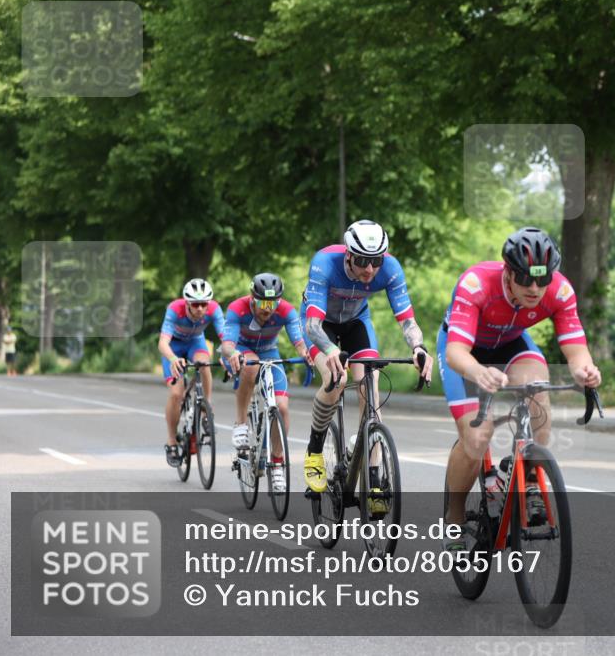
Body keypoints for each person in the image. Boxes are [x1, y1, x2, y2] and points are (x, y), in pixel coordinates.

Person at [438, 227, 602, 547]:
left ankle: (525, 476)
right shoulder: (476, 284)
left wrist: (585, 370)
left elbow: (576, 351)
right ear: (508, 272)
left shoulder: (560, 291)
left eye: (542, 279)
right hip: (465, 352)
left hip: (511, 345)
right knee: (476, 437)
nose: (535, 289)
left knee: (538, 391)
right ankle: (454, 517)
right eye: (525, 279)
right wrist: (478, 372)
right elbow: (456, 353)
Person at [301, 220, 433, 516]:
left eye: (376, 261)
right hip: (320, 325)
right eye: (362, 261)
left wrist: (418, 347)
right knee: (336, 378)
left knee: (370, 387)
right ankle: (314, 451)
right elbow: (312, 325)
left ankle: (374, 478)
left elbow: (407, 320)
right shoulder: (325, 263)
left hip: (356, 322)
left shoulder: (390, 268)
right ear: (348, 254)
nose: (370, 269)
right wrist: (331, 350)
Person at [221, 273, 310, 492]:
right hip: (241, 350)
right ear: (252, 298)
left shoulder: (286, 311)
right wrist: (232, 353)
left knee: (282, 407)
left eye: (273, 303)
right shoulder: (237, 308)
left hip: (269, 351)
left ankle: (277, 463)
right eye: (263, 303)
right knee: (250, 366)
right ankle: (241, 423)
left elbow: (299, 342)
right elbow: (227, 344)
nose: (268, 308)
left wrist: (306, 353)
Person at [158, 279, 225, 467]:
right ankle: (172, 441)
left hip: (195, 342)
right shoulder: (174, 309)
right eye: (195, 304)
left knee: (204, 364)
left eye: (204, 304)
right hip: (173, 347)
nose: (200, 309)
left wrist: (228, 354)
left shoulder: (214, 309)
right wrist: (173, 359)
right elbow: (162, 343)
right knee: (176, 394)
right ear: (187, 303)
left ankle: (206, 409)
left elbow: (227, 338)